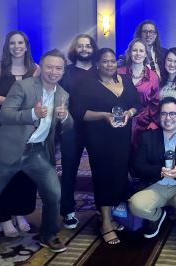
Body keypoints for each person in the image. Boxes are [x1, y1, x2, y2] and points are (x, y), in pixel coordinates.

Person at [0, 49, 72, 265]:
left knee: (54, 193)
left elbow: (69, 124)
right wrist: (31, 114)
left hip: (36, 152)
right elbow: (5, 114)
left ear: (63, 71)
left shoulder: (63, 94)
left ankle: (48, 235)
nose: (53, 71)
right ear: (41, 68)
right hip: (8, 151)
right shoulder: (24, 86)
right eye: (49, 67)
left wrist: (64, 116)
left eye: (58, 68)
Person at [70, 48, 141, 245]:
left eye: (112, 61)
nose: (110, 64)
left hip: (122, 137)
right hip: (99, 138)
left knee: (119, 175)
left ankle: (107, 215)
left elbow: (137, 103)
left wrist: (129, 113)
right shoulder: (87, 83)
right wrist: (104, 115)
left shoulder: (125, 80)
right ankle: (106, 224)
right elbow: (79, 113)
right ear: (98, 64)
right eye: (105, 61)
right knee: (104, 177)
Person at [0, 30, 38, 238]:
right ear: (8, 46)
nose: (16, 46)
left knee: (23, 173)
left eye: (20, 42)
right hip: (0, 126)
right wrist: (14, 103)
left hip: (26, 128)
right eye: (12, 43)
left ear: (26, 45)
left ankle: (19, 212)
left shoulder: (35, 69)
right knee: (1, 173)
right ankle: (4, 217)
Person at [129, 97, 176, 240]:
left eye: (172, 114)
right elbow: (138, 166)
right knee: (135, 205)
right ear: (159, 116)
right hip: (155, 185)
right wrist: (158, 170)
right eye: (164, 114)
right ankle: (157, 216)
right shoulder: (148, 137)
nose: (168, 118)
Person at [59, 34, 98, 229]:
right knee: (69, 170)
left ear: (93, 49)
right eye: (80, 46)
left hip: (97, 128)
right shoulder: (66, 72)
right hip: (71, 128)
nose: (84, 49)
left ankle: (103, 207)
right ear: (75, 49)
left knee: (100, 170)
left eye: (88, 46)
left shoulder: (100, 71)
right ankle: (67, 210)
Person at [118, 38, 160, 153]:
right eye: (134, 50)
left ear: (146, 53)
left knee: (139, 161)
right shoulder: (119, 72)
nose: (138, 54)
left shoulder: (153, 77)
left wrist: (153, 124)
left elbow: (155, 104)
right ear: (129, 52)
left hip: (144, 124)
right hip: (121, 122)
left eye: (141, 51)